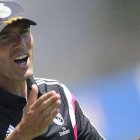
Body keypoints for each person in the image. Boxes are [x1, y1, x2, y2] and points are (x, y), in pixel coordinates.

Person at [0, 1, 105, 140]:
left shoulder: (57, 93)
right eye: (5, 36)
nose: (20, 43)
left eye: (24, 31)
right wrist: (22, 134)